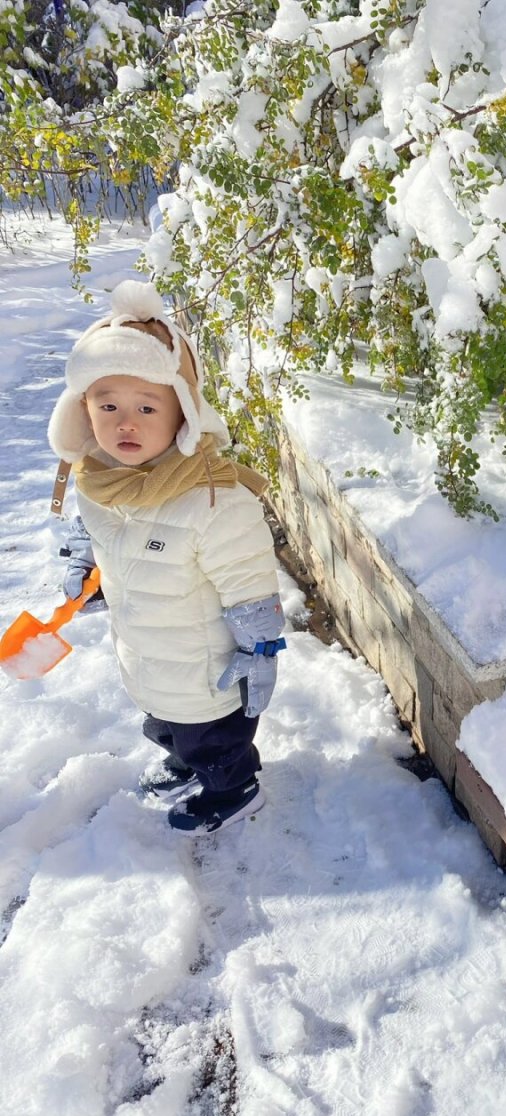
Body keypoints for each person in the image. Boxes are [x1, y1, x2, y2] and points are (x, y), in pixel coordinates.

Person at [47, 279, 285, 834]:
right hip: (149, 652)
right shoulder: (101, 483)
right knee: (164, 723)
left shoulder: (212, 499)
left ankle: (235, 789)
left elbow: (250, 582)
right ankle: (182, 758)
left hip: (208, 668)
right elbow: (99, 534)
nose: (124, 422)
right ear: (83, 411)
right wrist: (87, 571)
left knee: (213, 739)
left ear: (181, 414)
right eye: (107, 405)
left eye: (146, 406)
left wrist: (261, 648)